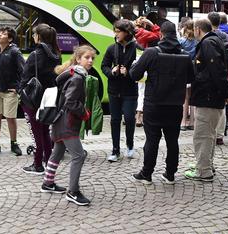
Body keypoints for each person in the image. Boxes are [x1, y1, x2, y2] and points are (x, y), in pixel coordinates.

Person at [130, 21, 194, 184]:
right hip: (175, 104)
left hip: (154, 103)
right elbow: (191, 78)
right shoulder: (185, 55)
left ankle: (147, 173)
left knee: (152, 139)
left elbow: (134, 74)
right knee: (172, 140)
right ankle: (170, 174)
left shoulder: (151, 52)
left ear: (161, 35)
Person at [40, 45, 95, 206]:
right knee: (79, 155)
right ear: (78, 59)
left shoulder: (74, 73)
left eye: (92, 58)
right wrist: (84, 112)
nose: (90, 61)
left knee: (57, 152)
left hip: (60, 121)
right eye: (87, 57)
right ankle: (73, 192)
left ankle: (48, 183)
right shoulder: (78, 77)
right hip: (67, 123)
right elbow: (71, 101)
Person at [184, 18, 228, 183]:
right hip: (212, 96)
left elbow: (217, 70)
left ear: (197, 29)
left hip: (208, 96)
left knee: (202, 135)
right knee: (208, 134)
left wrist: (225, 93)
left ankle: (204, 171)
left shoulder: (207, 44)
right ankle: (206, 165)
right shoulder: (215, 40)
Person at [20, 24, 62, 174]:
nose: (32, 37)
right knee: (45, 131)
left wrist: (21, 93)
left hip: (33, 99)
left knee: (36, 133)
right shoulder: (57, 54)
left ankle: (37, 164)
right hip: (48, 98)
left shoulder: (35, 55)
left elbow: (25, 78)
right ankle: (49, 161)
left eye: (34, 34)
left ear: (39, 37)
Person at [101, 19, 139, 162]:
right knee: (115, 120)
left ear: (127, 32)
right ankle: (115, 150)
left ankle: (130, 145)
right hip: (114, 90)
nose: (116, 34)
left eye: (118, 31)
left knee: (129, 118)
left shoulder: (137, 48)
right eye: (115, 31)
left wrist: (128, 72)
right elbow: (104, 66)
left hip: (130, 90)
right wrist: (112, 71)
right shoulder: (112, 48)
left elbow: (141, 69)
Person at [0, 26, 25, 157]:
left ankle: (14, 143)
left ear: (10, 39)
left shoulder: (15, 52)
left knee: (10, 117)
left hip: (9, 91)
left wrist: (18, 87)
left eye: (3, 34)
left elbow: (23, 71)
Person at [208, 11, 228, 145]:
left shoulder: (209, 37)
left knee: (211, 106)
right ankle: (219, 135)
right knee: (222, 105)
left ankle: (212, 133)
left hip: (213, 74)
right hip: (226, 73)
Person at [178, 18, 197, 130]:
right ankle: (192, 122)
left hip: (184, 69)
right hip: (194, 69)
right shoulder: (197, 41)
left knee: (185, 98)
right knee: (192, 97)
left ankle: (184, 121)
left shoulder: (181, 41)